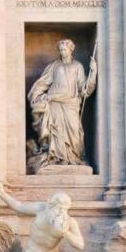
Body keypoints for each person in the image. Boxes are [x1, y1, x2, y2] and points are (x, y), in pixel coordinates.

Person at [28, 39, 97, 168]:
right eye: (60, 50)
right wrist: (37, 95)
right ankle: (58, 158)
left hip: (71, 103)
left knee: (74, 130)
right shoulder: (54, 66)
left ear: (71, 50)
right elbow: (43, 82)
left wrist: (93, 73)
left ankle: (73, 157)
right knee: (56, 131)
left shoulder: (77, 66)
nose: (62, 52)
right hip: (54, 101)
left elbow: (84, 88)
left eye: (64, 49)